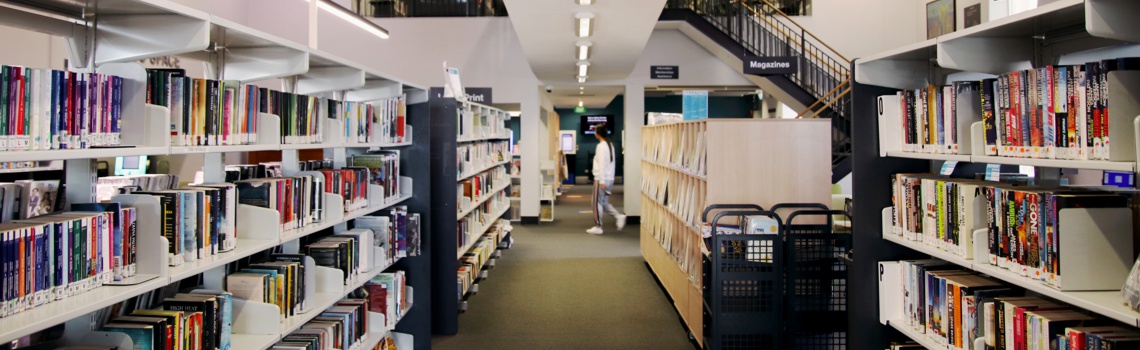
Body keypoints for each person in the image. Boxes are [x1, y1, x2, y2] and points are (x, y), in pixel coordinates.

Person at [587, 123, 626, 235]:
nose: (594, 133)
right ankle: (618, 216)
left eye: (595, 131)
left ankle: (598, 226)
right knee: (603, 203)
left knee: (596, 203)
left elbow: (602, 164)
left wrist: (602, 180)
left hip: (601, 179)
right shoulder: (610, 145)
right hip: (609, 178)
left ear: (598, 134)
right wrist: (608, 179)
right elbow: (611, 164)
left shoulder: (600, 146)